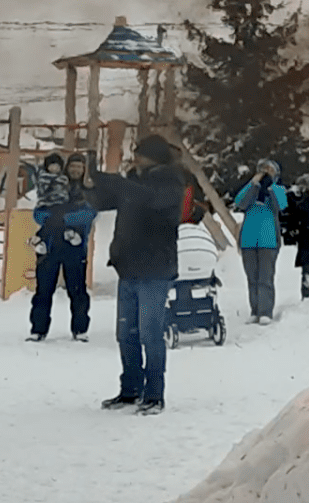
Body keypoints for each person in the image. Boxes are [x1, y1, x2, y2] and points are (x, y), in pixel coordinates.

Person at [83, 134, 188, 416]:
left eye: (140, 155)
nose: (135, 159)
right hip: (129, 265)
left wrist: (119, 182)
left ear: (154, 157)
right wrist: (90, 181)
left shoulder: (171, 181)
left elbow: (152, 201)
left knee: (150, 333)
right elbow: (104, 201)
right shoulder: (134, 181)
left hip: (156, 268)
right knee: (125, 333)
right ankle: (130, 390)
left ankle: (154, 394)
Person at [27, 153, 98, 343]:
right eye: (72, 166)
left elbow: (89, 214)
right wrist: (52, 220)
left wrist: (62, 219)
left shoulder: (88, 190)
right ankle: (38, 329)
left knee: (77, 289)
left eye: (79, 167)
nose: (75, 170)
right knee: (43, 289)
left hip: (75, 247)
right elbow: (38, 214)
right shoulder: (58, 185)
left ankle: (80, 328)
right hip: (50, 245)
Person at [233, 160, 288, 324]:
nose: (266, 172)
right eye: (263, 169)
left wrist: (270, 187)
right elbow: (240, 202)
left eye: (270, 170)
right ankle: (254, 310)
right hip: (249, 240)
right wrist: (254, 184)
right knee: (252, 277)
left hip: (268, 240)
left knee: (265, 277)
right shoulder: (252, 188)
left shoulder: (277, 189)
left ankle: (265, 311)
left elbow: (281, 205)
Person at [29, 153, 71, 258]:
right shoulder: (43, 178)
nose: (54, 168)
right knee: (55, 219)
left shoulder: (64, 179)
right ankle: (42, 239)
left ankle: (41, 242)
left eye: (57, 166)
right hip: (46, 205)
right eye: (52, 165)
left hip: (60, 204)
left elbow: (66, 191)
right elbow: (42, 191)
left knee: (55, 222)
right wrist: (51, 181)